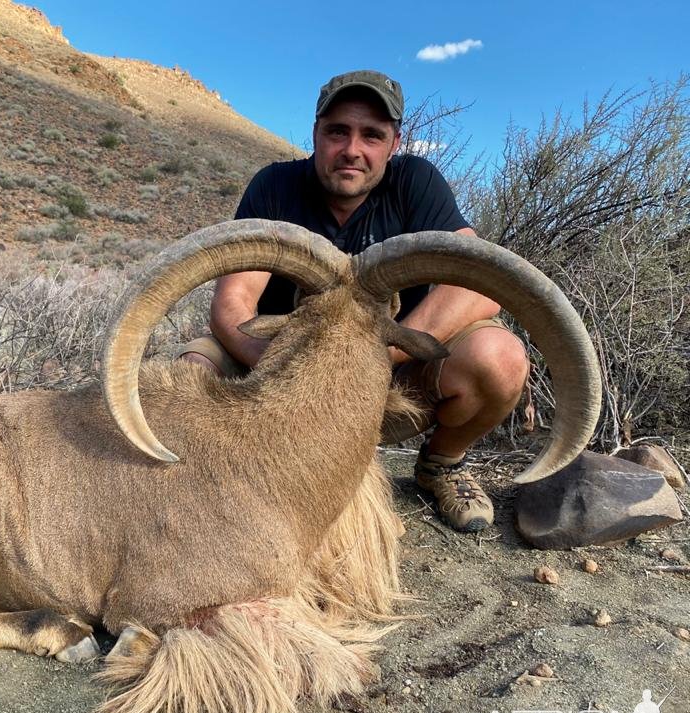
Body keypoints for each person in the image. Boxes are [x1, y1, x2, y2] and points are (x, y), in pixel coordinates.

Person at [178, 70, 530, 533]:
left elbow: (480, 283)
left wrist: (367, 361)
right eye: (338, 131)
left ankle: (440, 464)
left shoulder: (414, 183)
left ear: (394, 143)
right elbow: (233, 302)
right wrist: (288, 372)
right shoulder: (276, 186)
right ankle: (195, 486)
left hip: (385, 381)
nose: (352, 149)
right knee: (190, 371)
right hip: (277, 369)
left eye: (372, 135)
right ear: (316, 133)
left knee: (498, 358)